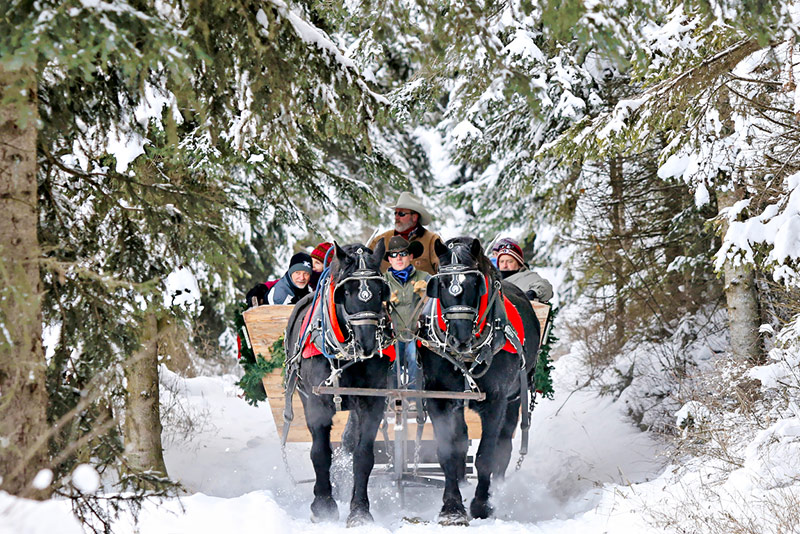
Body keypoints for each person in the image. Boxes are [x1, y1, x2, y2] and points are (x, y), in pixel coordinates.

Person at [383, 236, 428, 393]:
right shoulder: (381, 281)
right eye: (394, 255)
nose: (399, 258)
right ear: (389, 259)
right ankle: (393, 397)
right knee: (391, 364)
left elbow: (437, 305)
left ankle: (415, 398)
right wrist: (383, 302)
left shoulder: (425, 278)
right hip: (391, 336)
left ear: (411, 256)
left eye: (403, 253)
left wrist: (427, 293)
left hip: (419, 335)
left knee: (415, 360)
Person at [369, 191, 441, 275]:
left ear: (414, 217)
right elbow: (365, 267)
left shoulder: (432, 240)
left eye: (401, 214)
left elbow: (443, 270)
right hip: (387, 288)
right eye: (395, 213)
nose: (396, 217)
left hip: (423, 288)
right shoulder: (380, 240)